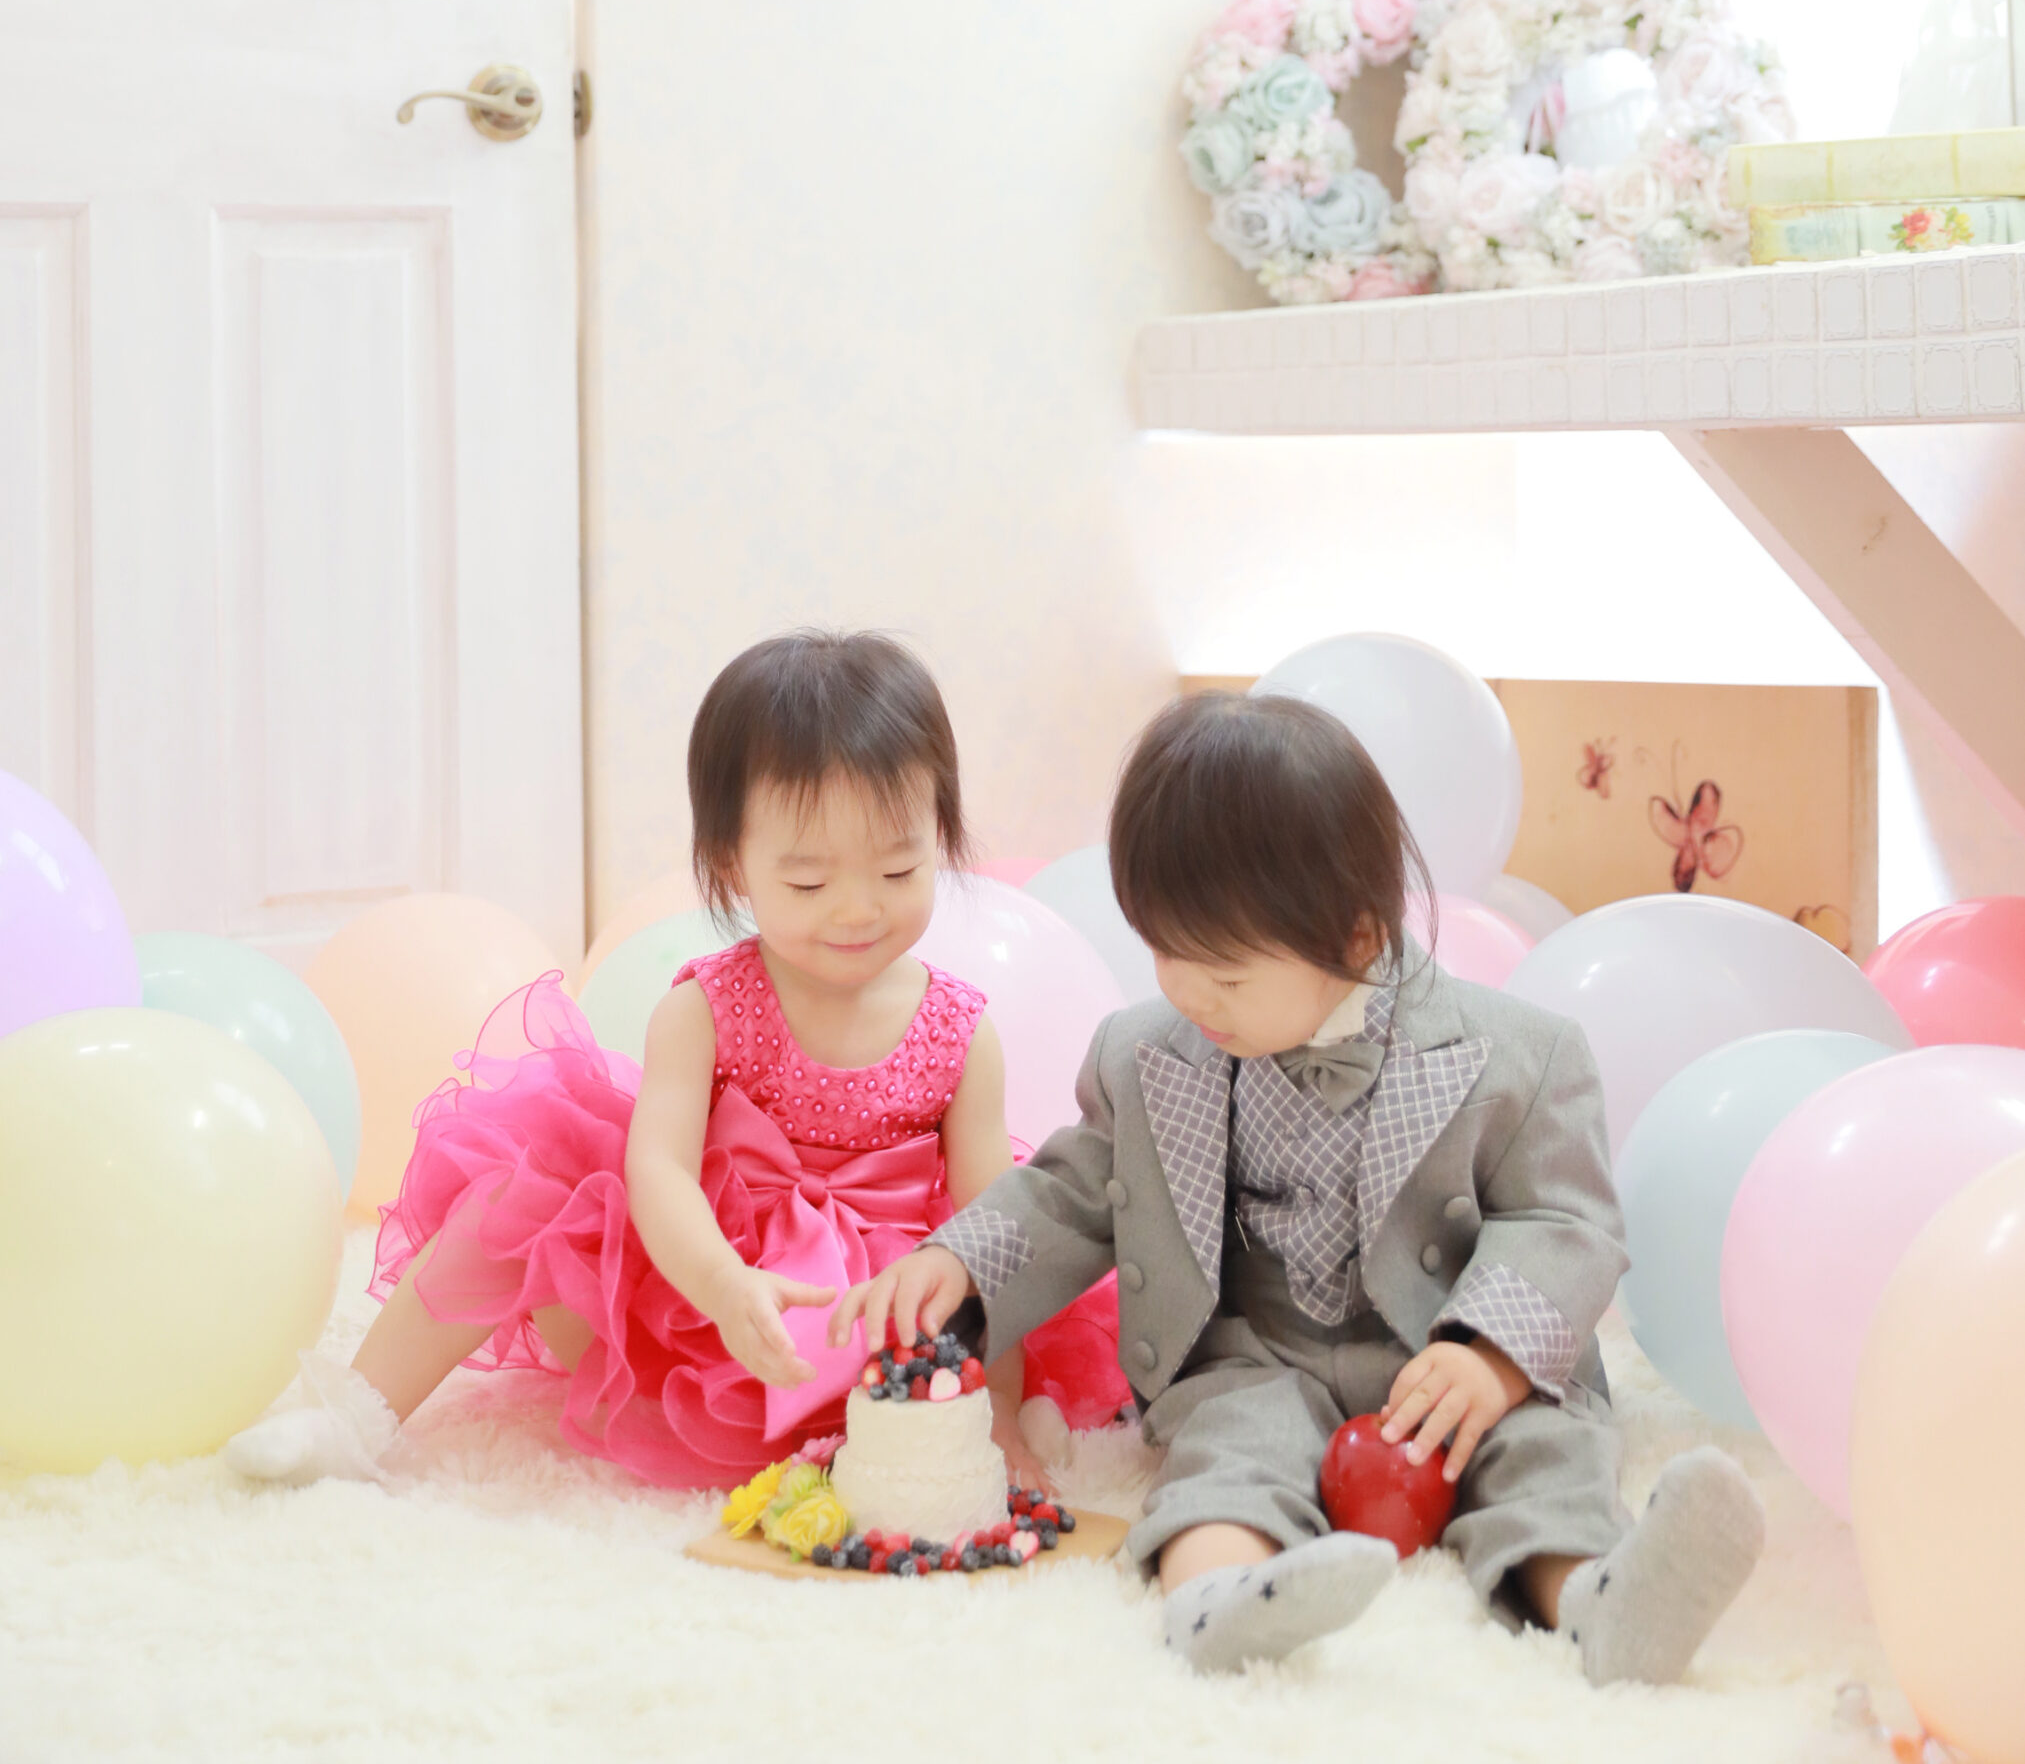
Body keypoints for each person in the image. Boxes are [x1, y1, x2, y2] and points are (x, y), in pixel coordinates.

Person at [833, 689, 1765, 1680]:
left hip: (1445, 1355)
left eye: (1227, 974)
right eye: (1165, 952)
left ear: (1356, 936)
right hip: (1258, 1355)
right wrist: (963, 1263)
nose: (1187, 992)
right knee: (1228, 1451)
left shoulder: (1520, 1056)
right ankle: (1216, 1595)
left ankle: (1592, 1597)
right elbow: (1069, 1190)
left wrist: (1490, 1356)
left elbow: (1563, 1219)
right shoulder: (1147, 1055)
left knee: (1538, 1451)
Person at [227, 631, 1123, 1492]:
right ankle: (357, 1414)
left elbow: (989, 1234)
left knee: (943, 1342)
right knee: (515, 1195)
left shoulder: (960, 1032)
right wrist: (721, 1284)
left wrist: (994, 1412)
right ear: (731, 868)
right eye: (809, 882)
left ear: (942, 841)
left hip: (866, 1311)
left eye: (897, 872)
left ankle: (985, 1410)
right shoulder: (707, 1007)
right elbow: (657, 1170)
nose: (857, 910)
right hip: (702, 1277)